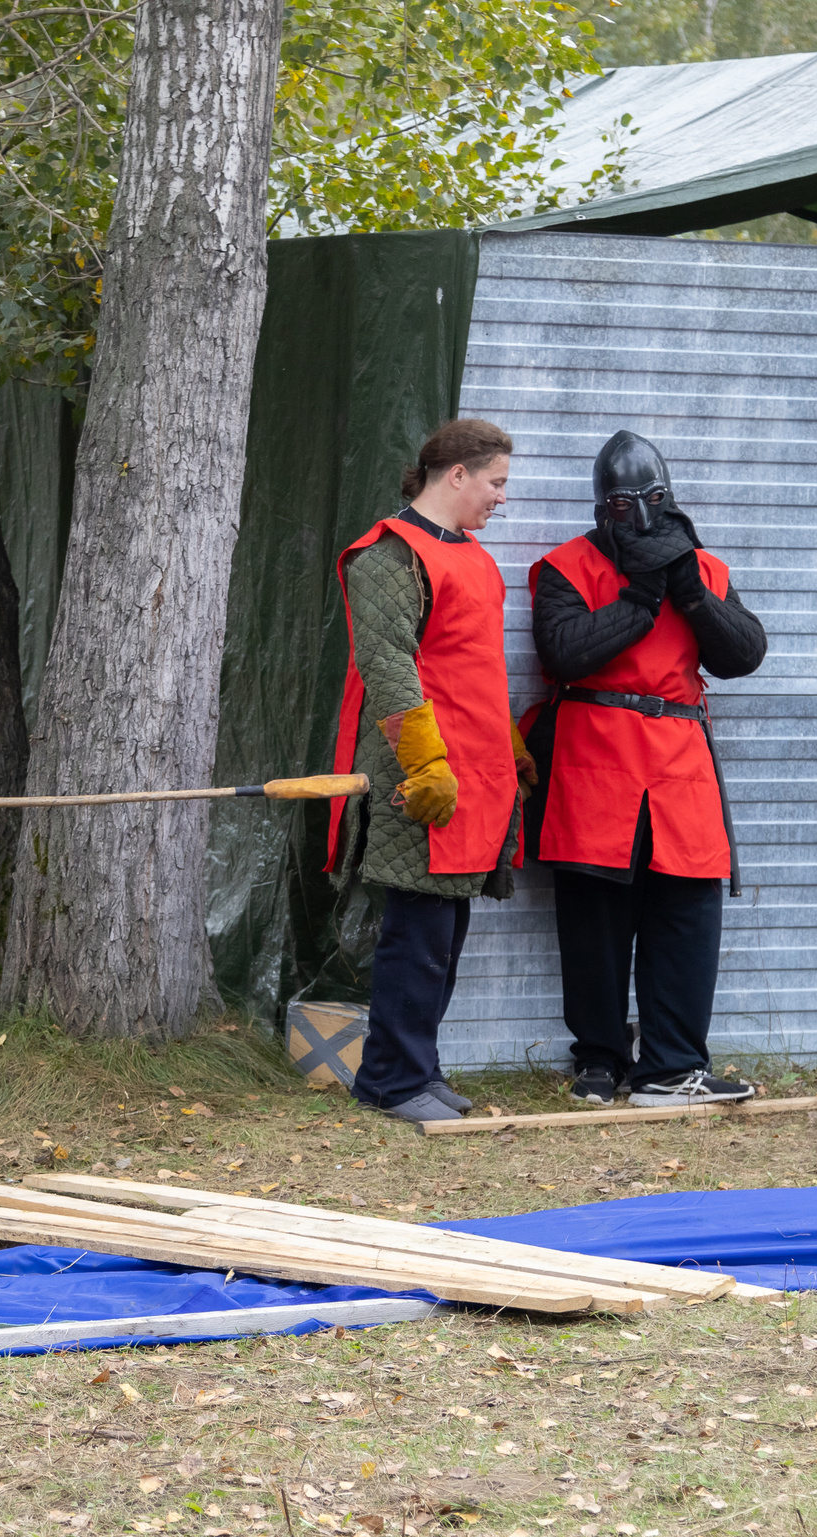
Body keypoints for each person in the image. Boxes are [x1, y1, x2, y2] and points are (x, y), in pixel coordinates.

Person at [525, 431, 768, 1107]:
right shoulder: (568, 567)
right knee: (595, 919)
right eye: (630, 503)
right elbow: (566, 651)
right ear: (605, 508)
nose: (644, 512)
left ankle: (672, 1066)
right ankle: (601, 1061)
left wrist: (689, 591)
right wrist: (640, 599)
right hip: (596, 755)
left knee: (687, 913)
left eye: (655, 500)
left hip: (680, 761)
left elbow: (745, 652)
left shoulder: (705, 568)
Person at [325, 419, 533, 1126]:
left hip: (475, 770)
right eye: (496, 483)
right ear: (456, 475)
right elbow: (388, 668)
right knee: (415, 935)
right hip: (424, 770)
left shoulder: (473, 557)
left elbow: (473, 662)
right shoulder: (388, 555)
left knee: (445, 932)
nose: (501, 498)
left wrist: (507, 740)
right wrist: (426, 764)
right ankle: (388, 1079)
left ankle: (420, 1066)